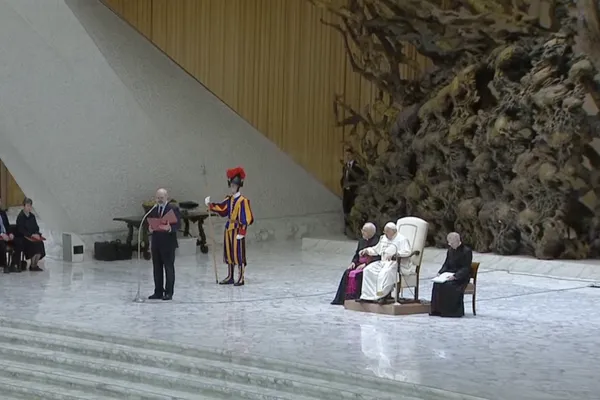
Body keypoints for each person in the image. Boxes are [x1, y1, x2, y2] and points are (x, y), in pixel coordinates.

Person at [205, 166, 254, 286]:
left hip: (238, 230)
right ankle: (230, 276)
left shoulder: (243, 201)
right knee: (229, 253)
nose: (232, 188)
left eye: (234, 186)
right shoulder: (229, 199)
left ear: (238, 186)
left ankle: (241, 277)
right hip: (229, 229)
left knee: (239, 254)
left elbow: (247, 218)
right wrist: (210, 205)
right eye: (231, 185)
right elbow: (222, 209)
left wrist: (242, 232)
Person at [358, 222, 413, 303]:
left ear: (393, 231)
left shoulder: (402, 239)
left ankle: (381, 296)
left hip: (396, 263)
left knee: (384, 273)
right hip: (383, 262)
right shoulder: (383, 238)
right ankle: (367, 296)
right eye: (384, 232)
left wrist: (396, 254)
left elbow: (407, 252)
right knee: (368, 270)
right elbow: (376, 250)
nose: (385, 234)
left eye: (387, 232)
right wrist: (366, 250)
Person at [331, 222, 380, 305]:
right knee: (347, 272)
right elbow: (357, 254)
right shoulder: (362, 241)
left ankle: (357, 297)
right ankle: (342, 299)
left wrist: (366, 265)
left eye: (364, 231)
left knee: (360, 275)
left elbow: (378, 256)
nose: (362, 232)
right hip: (358, 264)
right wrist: (353, 262)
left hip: (370, 265)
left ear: (370, 232)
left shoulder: (378, 242)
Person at [147, 188, 181, 301]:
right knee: (157, 268)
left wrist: (170, 228)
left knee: (168, 268)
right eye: (158, 198)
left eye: (162, 198)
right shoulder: (153, 209)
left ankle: (169, 293)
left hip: (168, 243)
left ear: (167, 197)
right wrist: (150, 228)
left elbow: (178, 224)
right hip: (156, 242)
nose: (159, 200)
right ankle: (158, 291)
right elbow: (151, 222)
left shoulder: (173, 209)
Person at [429, 232, 473, 318]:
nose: (450, 244)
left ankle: (451, 312)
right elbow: (446, 264)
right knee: (437, 283)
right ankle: (437, 310)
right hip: (449, 274)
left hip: (461, 277)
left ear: (457, 241)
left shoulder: (467, 251)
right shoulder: (450, 250)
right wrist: (440, 272)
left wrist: (455, 276)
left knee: (449, 285)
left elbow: (466, 268)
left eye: (451, 243)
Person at [14, 197, 45, 271]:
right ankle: (32, 264)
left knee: (40, 243)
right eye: (27, 206)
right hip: (24, 238)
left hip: (33, 237)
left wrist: (37, 234)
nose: (29, 208)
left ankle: (34, 265)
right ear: (24, 206)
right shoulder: (21, 217)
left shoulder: (32, 216)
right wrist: (31, 235)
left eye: (30, 206)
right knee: (33, 245)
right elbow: (21, 230)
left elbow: (36, 227)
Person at [341, 147, 363, 236]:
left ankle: (353, 229)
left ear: (353, 155)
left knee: (352, 210)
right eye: (346, 155)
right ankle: (347, 228)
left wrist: (351, 184)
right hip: (346, 192)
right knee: (345, 209)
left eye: (349, 155)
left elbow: (360, 179)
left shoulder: (357, 166)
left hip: (353, 193)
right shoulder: (345, 166)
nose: (347, 156)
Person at [0, 196, 15, 274]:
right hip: (1, 237)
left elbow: (7, 226)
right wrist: (2, 234)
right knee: (2, 245)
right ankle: (5, 265)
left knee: (18, 241)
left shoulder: (3, 213)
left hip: (6, 235)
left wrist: (10, 233)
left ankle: (14, 264)